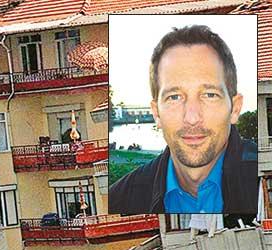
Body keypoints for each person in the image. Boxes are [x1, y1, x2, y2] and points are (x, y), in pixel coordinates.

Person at [110, 25, 257, 214]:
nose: (192, 118)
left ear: (235, 108)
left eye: (209, 95)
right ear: (156, 113)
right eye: (175, 97)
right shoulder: (120, 201)